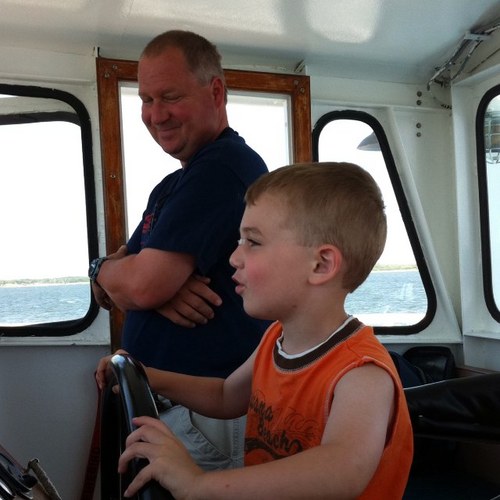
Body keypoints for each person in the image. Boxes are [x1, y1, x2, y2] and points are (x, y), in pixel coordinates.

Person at [116, 162, 414, 499]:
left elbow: (343, 469)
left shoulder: (360, 372)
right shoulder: (276, 339)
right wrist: (145, 374)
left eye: (252, 242)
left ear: (321, 265)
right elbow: (226, 396)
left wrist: (198, 484)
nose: (234, 257)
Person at [92, 30, 270, 469]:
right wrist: (107, 272)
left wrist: (134, 283)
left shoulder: (223, 168)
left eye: (169, 97)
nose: (156, 115)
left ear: (216, 92)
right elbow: (117, 289)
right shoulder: (171, 187)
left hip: (204, 416)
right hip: (168, 408)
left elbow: (141, 286)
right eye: (146, 100)